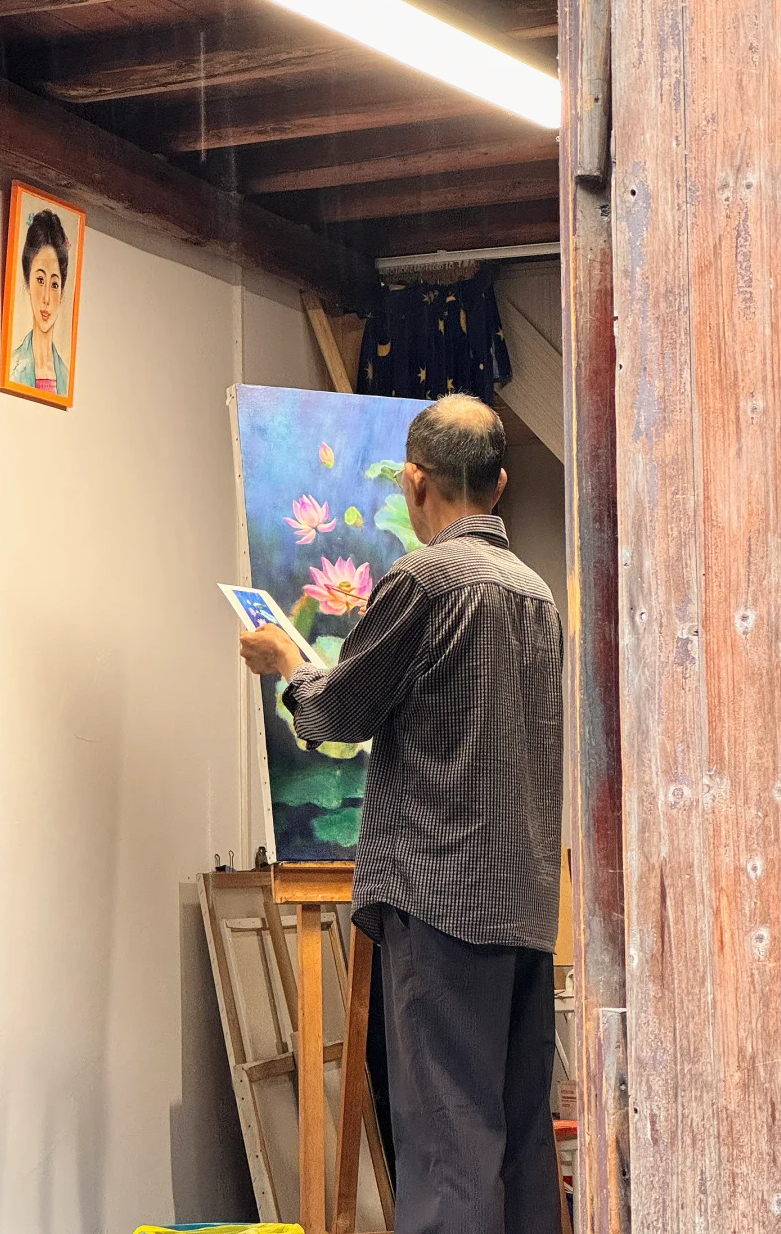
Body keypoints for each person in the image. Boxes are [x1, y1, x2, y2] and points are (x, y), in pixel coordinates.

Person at [240, 394, 564, 1234]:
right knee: (520, 1142)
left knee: (450, 1147)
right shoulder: (536, 594)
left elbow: (338, 713)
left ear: (415, 482)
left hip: (443, 898)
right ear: (499, 483)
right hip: (526, 902)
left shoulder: (424, 580)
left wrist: (285, 663)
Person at [11, 208, 71, 396]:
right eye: (40, 280)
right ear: (27, 282)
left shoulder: (65, 376)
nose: (46, 298)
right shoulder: (14, 367)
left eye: (54, 284)